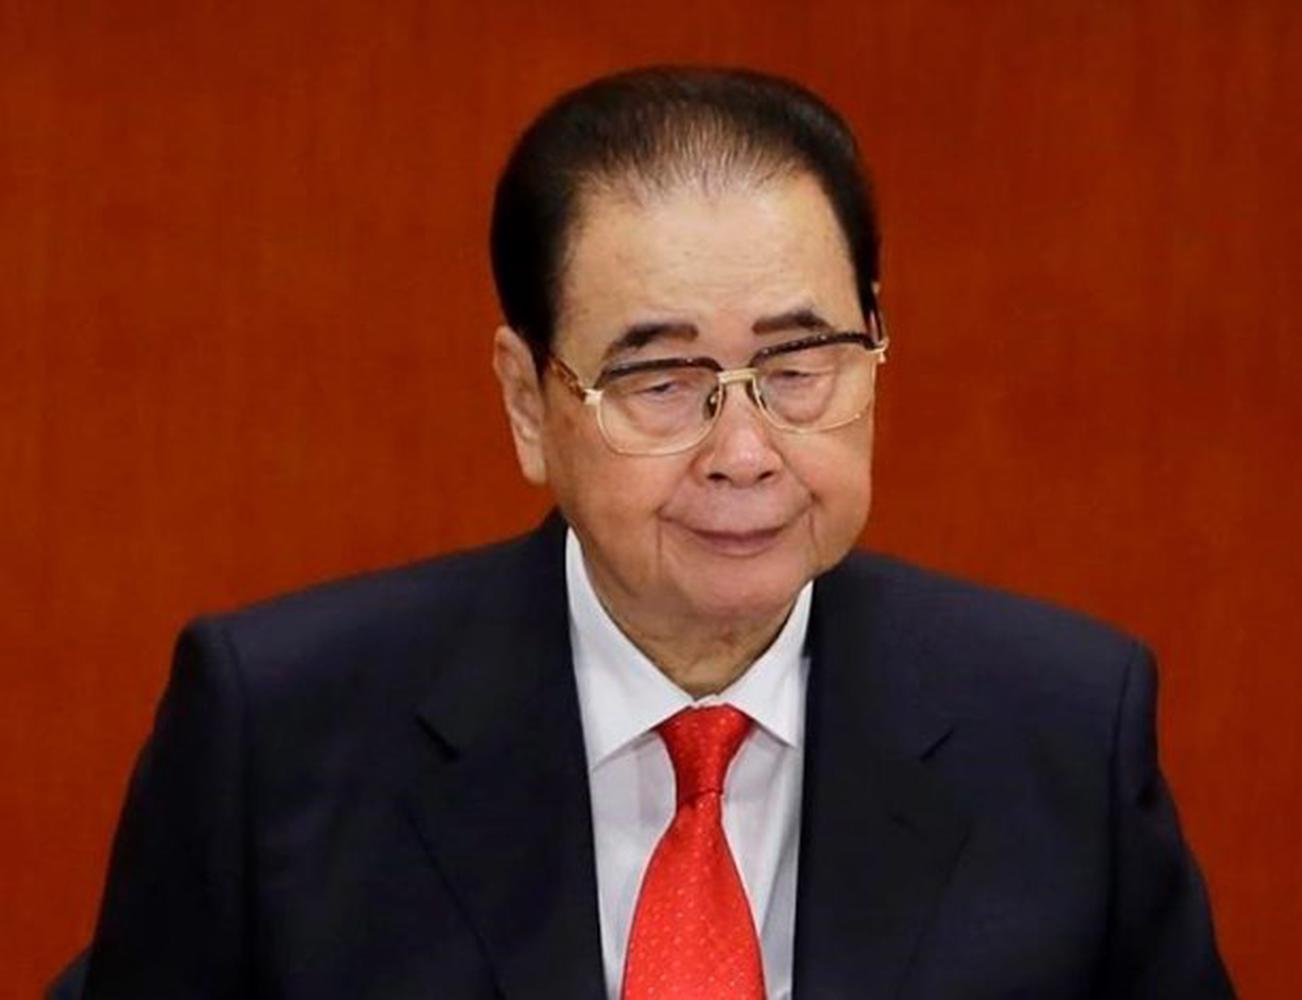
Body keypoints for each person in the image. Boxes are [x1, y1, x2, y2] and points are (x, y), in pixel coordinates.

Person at [65, 67, 1232, 998]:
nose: (744, 450)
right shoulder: (279, 736)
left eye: (798, 365)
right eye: (662, 379)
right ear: (529, 403)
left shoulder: (1061, 731)